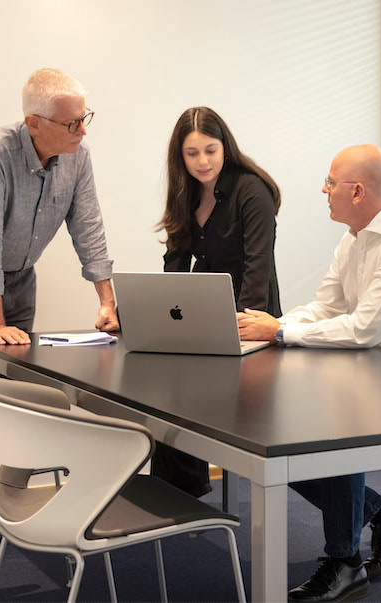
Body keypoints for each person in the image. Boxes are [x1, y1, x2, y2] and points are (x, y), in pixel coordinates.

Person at [237, 144, 381, 602]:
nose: (324, 189)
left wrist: (279, 333)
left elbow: (364, 328)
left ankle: (344, 563)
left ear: (356, 190)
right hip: (376, 369)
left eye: (330, 181)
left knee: (331, 427)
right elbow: (326, 308)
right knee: (278, 447)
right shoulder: (354, 238)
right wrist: (274, 326)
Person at [0, 67, 119, 551]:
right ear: (34, 122)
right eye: (72, 123)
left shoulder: (79, 157)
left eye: (84, 119)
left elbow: (88, 226)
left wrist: (107, 300)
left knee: (10, 388)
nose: (83, 130)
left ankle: (3, 504)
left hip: (18, 275)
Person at [152, 106, 282, 497]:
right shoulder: (186, 193)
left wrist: (245, 327)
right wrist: (151, 314)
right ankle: (180, 495)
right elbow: (175, 262)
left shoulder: (250, 189)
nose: (203, 161)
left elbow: (258, 266)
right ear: (180, 156)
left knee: (246, 425)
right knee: (164, 392)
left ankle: (185, 492)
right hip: (205, 320)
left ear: (226, 146)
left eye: (210, 150)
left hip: (250, 319)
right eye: (192, 153)